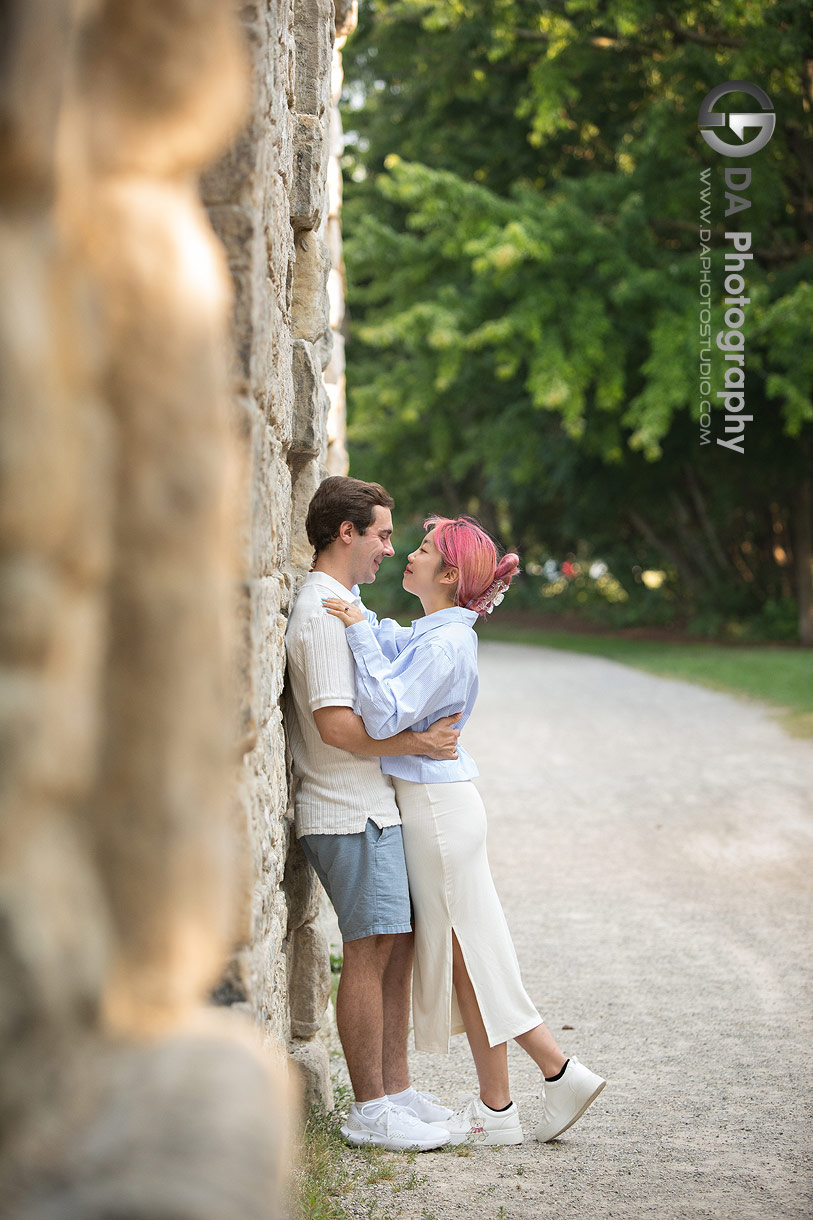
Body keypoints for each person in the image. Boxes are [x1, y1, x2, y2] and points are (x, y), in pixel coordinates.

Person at [324, 514, 606, 1146]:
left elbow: (384, 708)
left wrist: (358, 637)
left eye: (422, 549)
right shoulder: (438, 632)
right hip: (438, 807)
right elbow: (396, 648)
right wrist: (362, 620)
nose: (409, 556)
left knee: (470, 955)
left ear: (449, 574)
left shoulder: (448, 644)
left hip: (436, 812)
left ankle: (554, 1071)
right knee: (467, 955)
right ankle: (508, 1102)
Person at [285, 476, 462, 1152]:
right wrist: (415, 742)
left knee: (397, 946)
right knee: (367, 953)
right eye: (383, 535)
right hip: (343, 811)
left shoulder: (346, 604)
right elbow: (334, 727)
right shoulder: (322, 611)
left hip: (372, 808)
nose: (390, 548)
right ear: (345, 533)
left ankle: (395, 1088)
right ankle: (368, 1109)